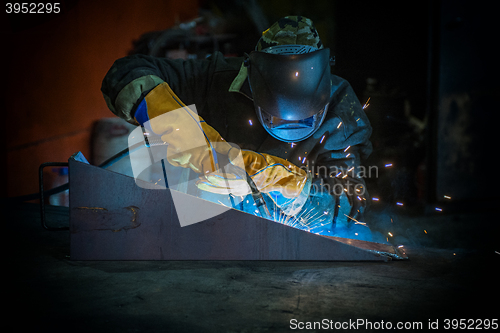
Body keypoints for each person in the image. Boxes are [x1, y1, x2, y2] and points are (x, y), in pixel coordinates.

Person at [101, 16, 373, 237]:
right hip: (203, 233)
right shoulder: (217, 79)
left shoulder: (342, 110)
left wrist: (284, 182)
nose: (290, 126)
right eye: (275, 116)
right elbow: (126, 71)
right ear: (252, 81)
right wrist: (185, 133)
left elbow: (350, 208)